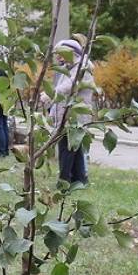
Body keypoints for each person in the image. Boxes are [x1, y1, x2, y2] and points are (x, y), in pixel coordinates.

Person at [50, 38, 95, 185]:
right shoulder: (69, 68)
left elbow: (70, 86)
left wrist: (49, 95)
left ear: (71, 53)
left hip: (75, 117)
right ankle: (80, 179)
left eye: (60, 53)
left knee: (67, 149)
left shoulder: (81, 68)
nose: (58, 57)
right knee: (74, 149)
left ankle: (64, 181)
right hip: (68, 115)